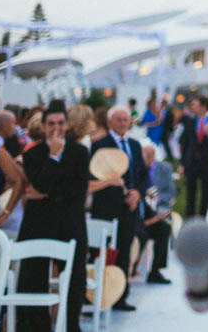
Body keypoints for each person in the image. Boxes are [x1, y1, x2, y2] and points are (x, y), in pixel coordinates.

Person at [16, 101, 90, 332]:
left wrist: (46, 193)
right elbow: (40, 183)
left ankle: (71, 325)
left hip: (71, 224)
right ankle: (38, 327)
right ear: (44, 126)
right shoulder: (33, 153)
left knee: (75, 279)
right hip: (38, 224)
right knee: (32, 279)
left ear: (66, 125)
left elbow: (78, 191)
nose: (55, 128)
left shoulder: (80, 152)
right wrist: (53, 157)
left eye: (60, 123)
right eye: (51, 123)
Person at [90, 105, 147, 311]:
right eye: (119, 120)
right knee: (102, 253)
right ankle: (98, 296)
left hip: (129, 210)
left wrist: (136, 194)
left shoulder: (134, 144)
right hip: (107, 208)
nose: (123, 123)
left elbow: (142, 175)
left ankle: (120, 297)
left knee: (124, 253)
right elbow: (96, 175)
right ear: (110, 122)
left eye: (126, 120)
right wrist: (121, 195)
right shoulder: (99, 145)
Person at [139, 143, 173, 284]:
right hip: (141, 212)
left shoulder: (164, 168)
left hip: (157, 206)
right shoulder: (138, 171)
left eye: (146, 155)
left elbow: (170, 191)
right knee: (142, 233)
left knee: (164, 228)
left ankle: (156, 271)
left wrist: (157, 201)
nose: (143, 158)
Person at [178, 95, 208, 217]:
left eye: (196, 105)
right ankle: (190, 218)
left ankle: (202, 218)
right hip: (191, 161)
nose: (193, 107)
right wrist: (182, 163)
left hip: (207, 162)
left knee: (205, 193)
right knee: (190, 192)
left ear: (203, 107)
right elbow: (184, 142)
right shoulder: (190, 121)